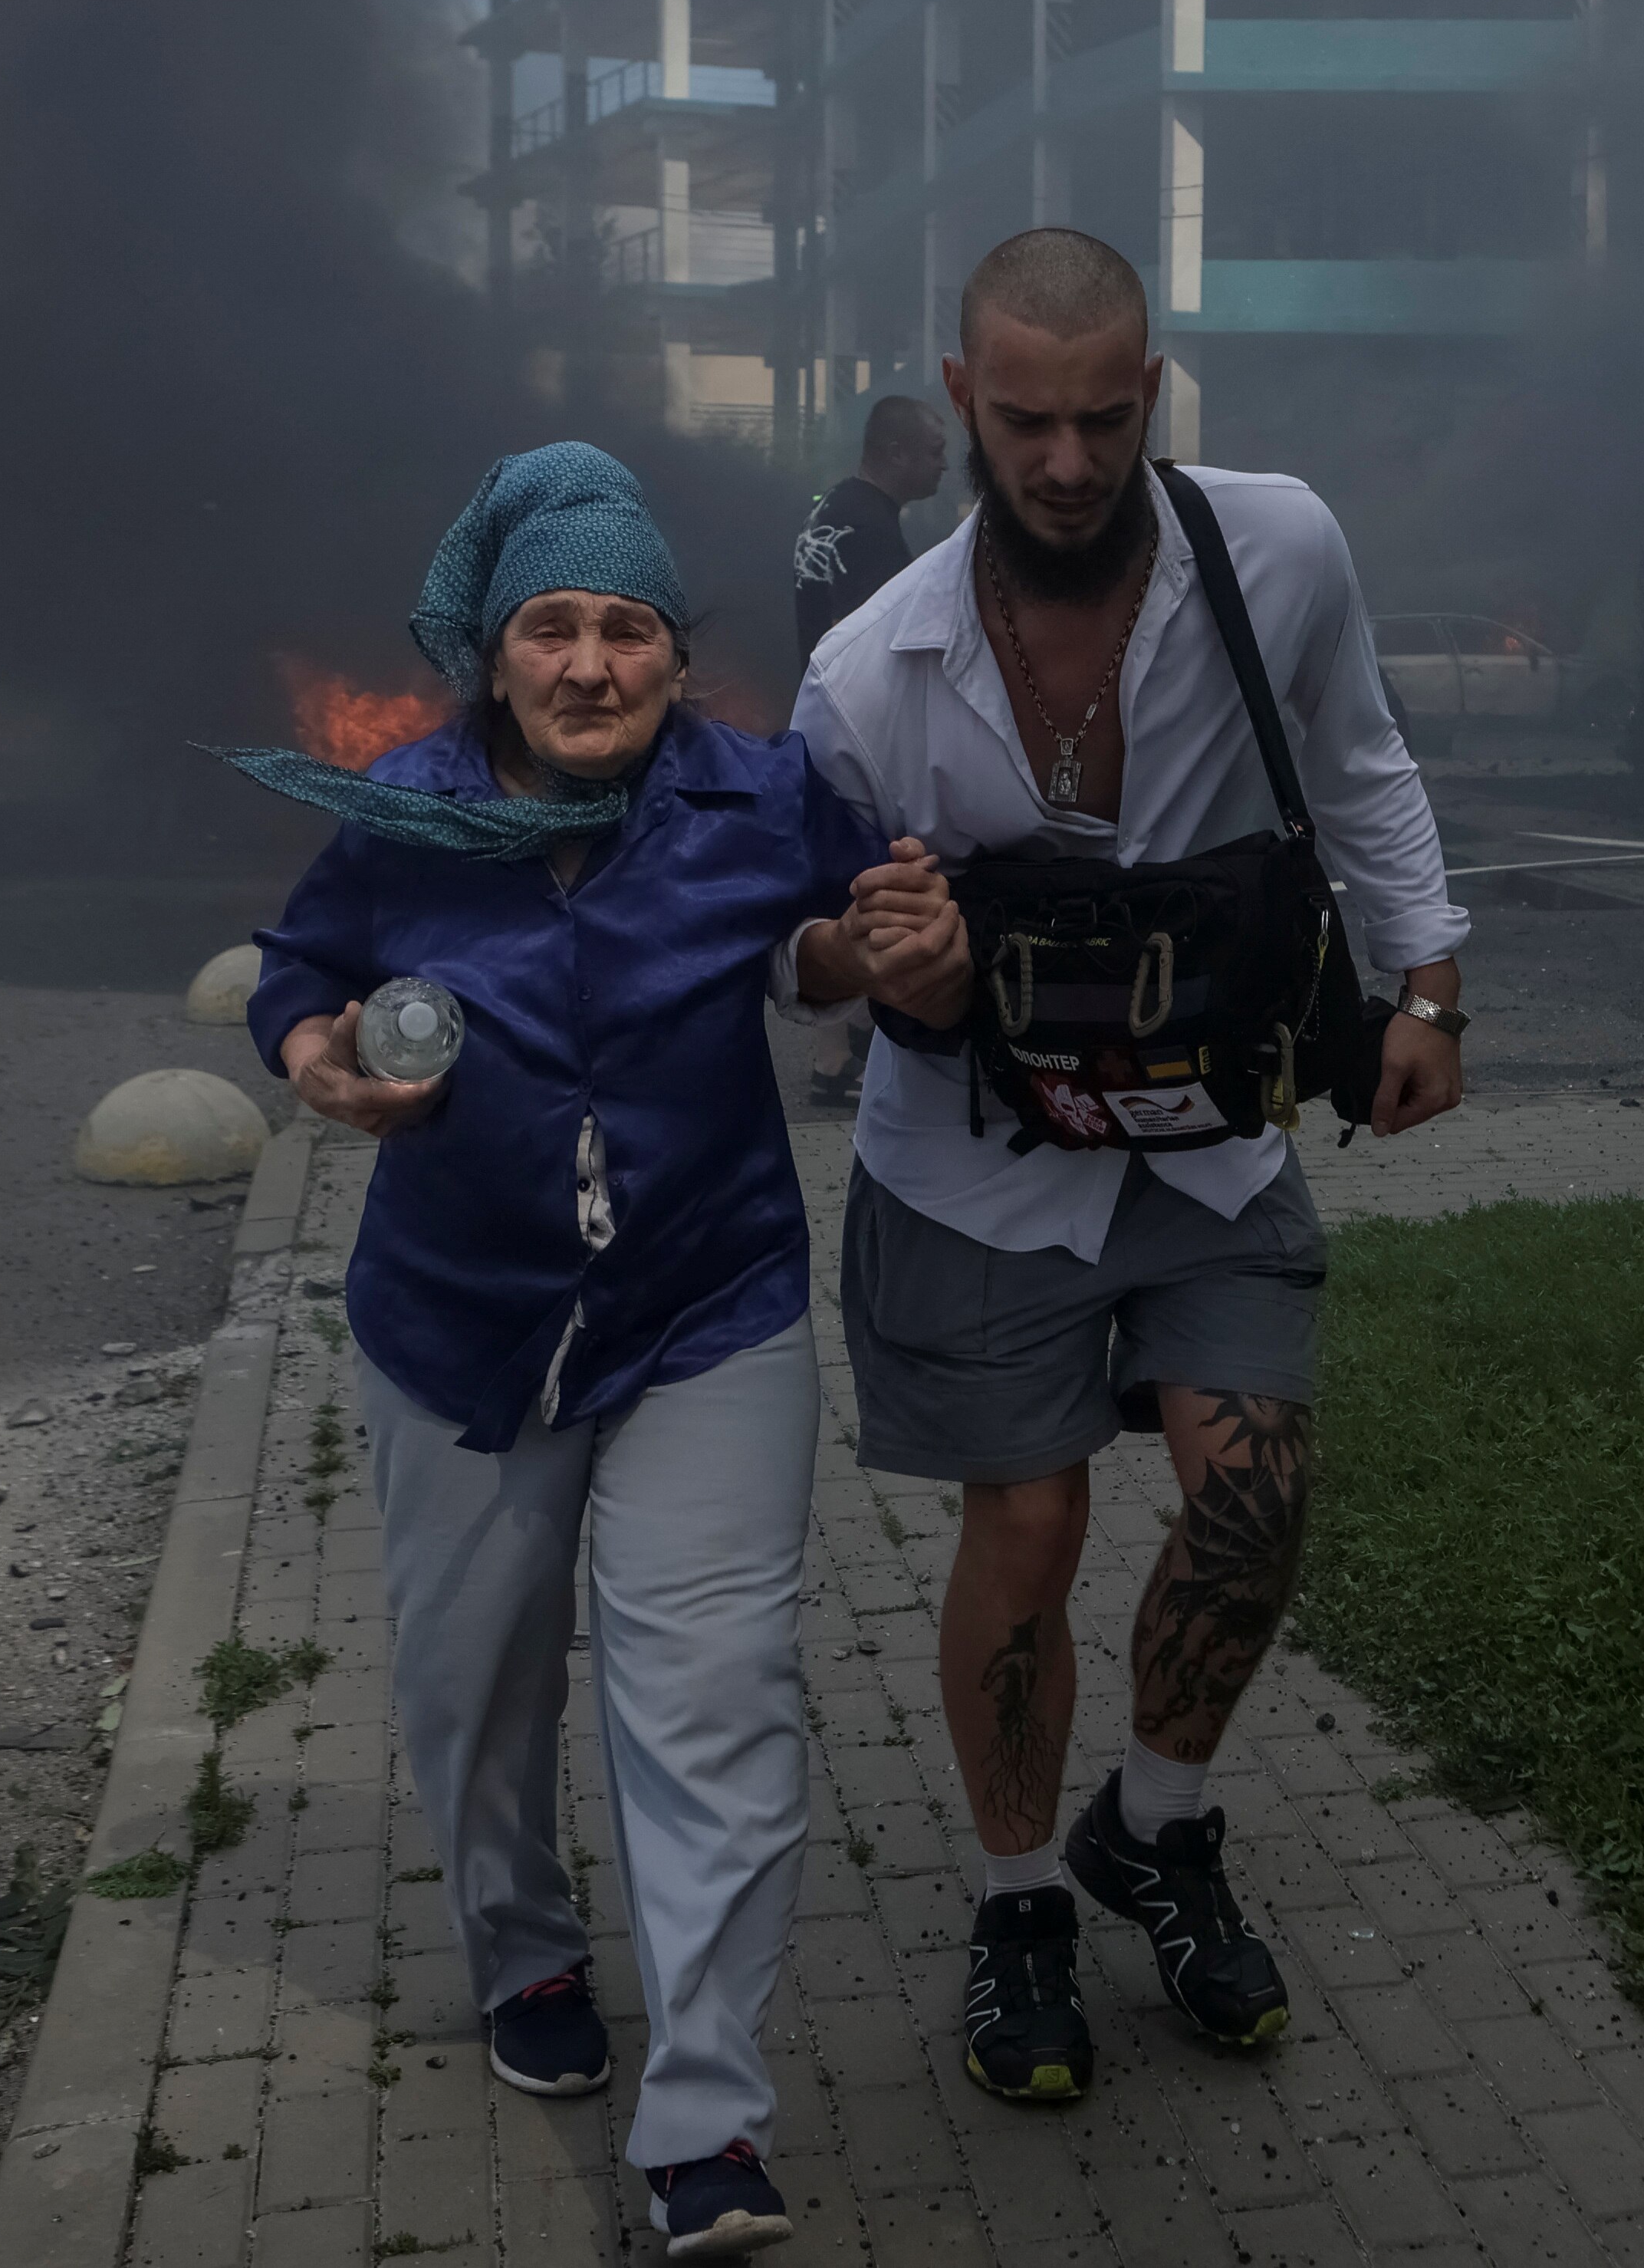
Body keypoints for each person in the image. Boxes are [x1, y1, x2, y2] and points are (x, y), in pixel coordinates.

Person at [231, 443, 940, 2263]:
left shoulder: (758, 791)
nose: (593, 660)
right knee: (480, 1684)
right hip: (457, 1319)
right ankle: (525, 1936)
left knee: (714, 1697)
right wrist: (320, 1064)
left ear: (677, 657)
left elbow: (849, 941)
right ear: (495, 651)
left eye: (630, 625)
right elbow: (293, 971)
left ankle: (706, 2118)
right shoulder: (403, 806)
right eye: (554, 624)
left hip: (706, 1306)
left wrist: (891, 947)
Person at [792, 229, 1469, 2105]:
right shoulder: (866, 674)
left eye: (1105, 416)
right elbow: (802, 938)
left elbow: (1362, 758)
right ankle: (1018, 1898)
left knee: (1256, 1492)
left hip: (1209, 1137)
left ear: (1153, 387)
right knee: (1027, 1529)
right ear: (959, 404)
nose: (1069, 461)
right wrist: (876, 959)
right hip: (977, 1168)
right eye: (1026, 421)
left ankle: (1155, 1824)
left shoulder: (1280, 549)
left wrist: (1432, 982)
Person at [793, 395, 955, 1108]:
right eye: (932, 450)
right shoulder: (874, 534)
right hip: (864, 729)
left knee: (840, 876)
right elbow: (889, 644)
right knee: (870, 883)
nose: (945, 463)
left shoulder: (830, 511)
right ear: (895, 453)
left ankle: (834, 1056)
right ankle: (844, 1055)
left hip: (820, 720)